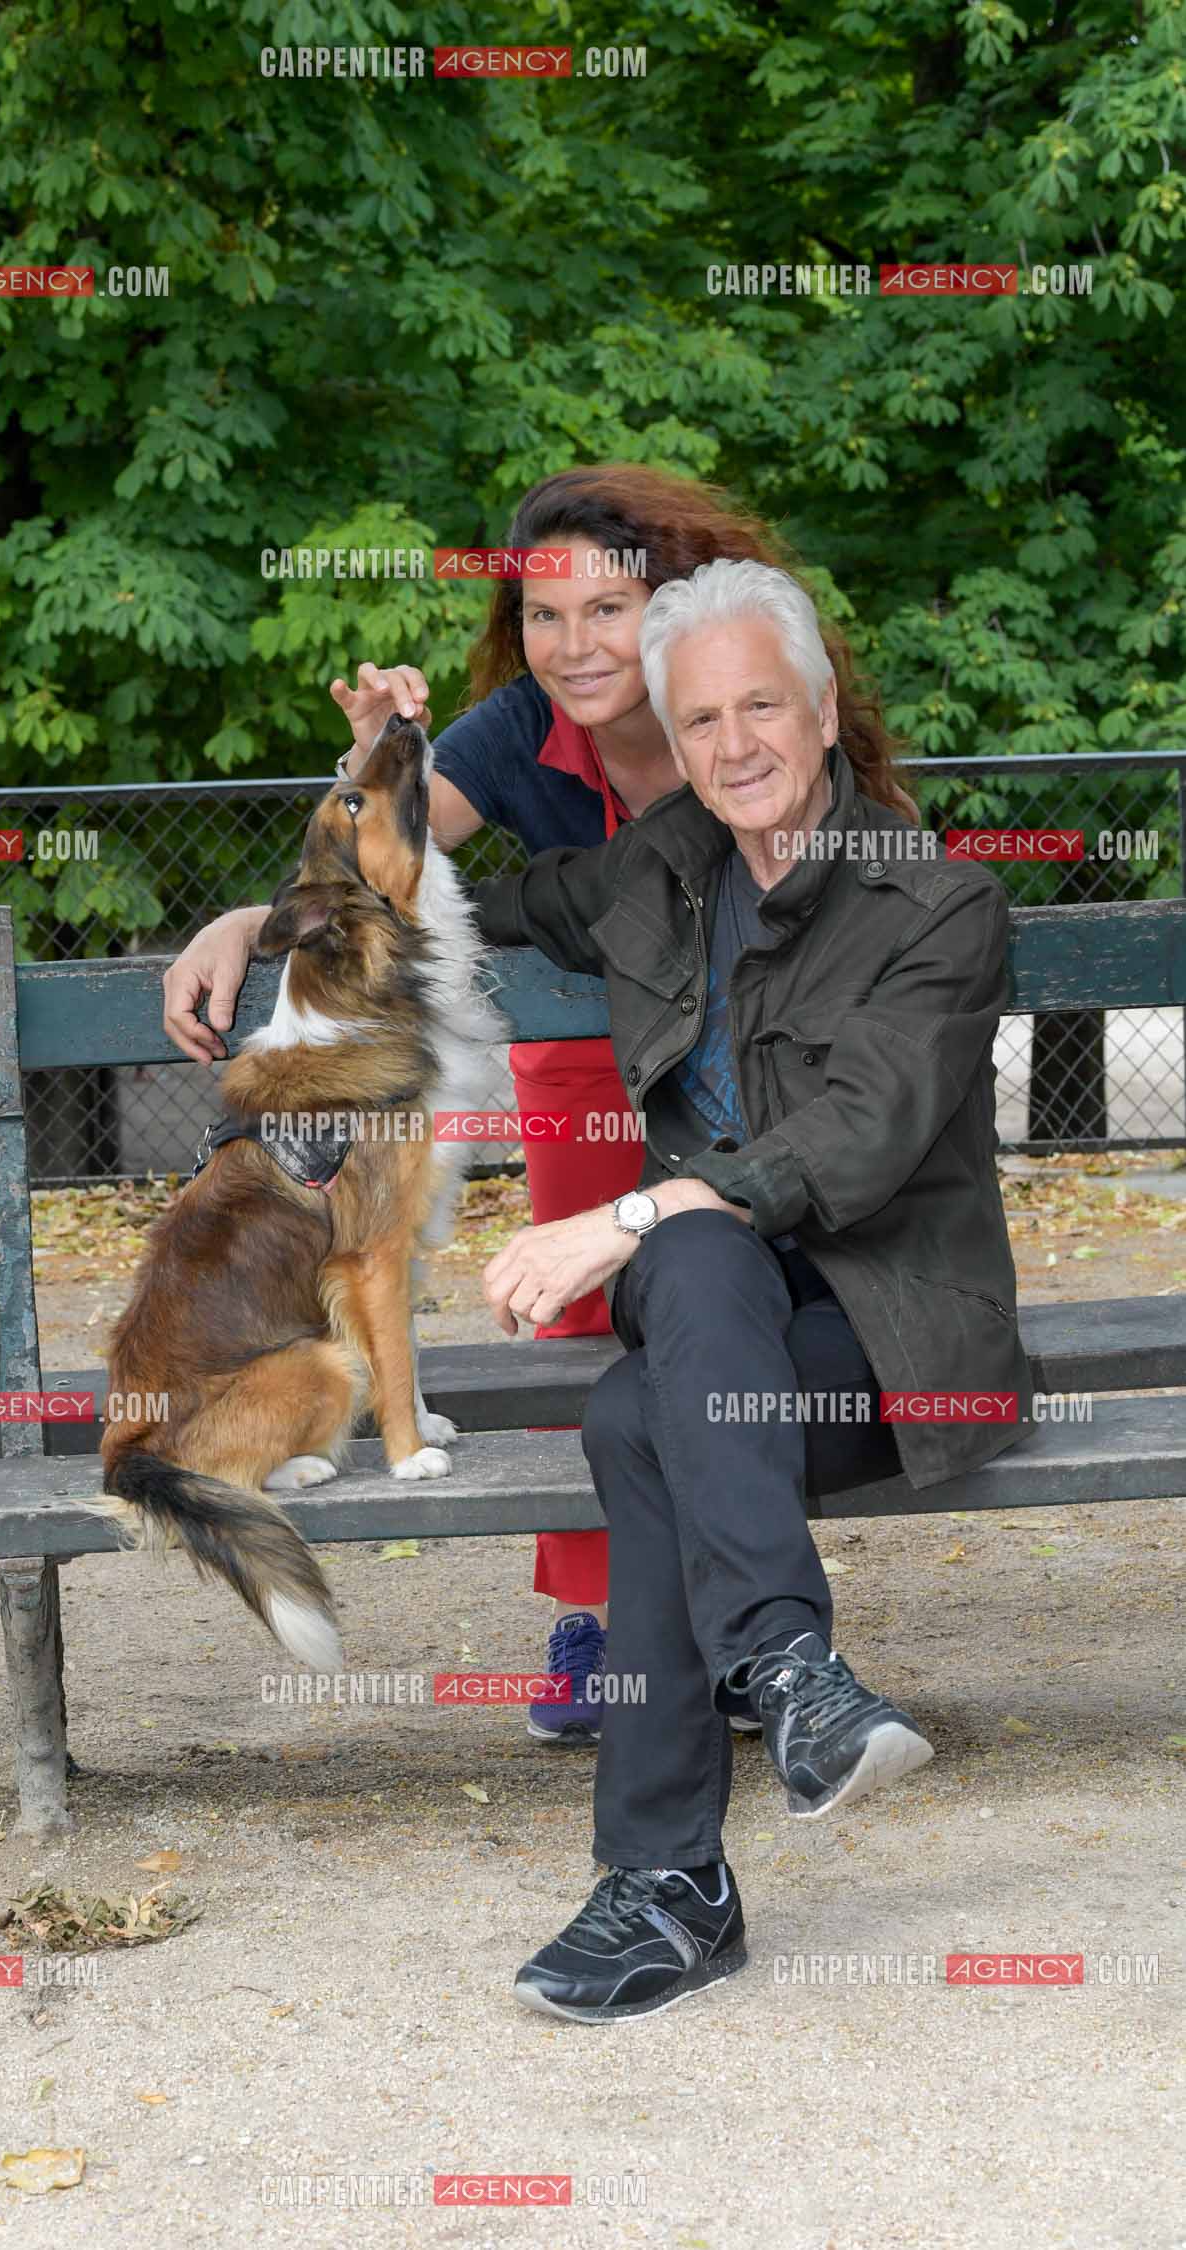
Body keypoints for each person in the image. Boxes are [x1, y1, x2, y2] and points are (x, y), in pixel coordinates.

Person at [162, 465, 914, 1743]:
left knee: (752, 1309)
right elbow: (383, 865)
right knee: (587, 1321)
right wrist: (246, 918)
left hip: (772, 1065)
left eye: (608, 611)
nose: (574, 645)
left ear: (669, 608)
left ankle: (748, 1624)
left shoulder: (735, 710)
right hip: (594, 1054)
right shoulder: (517, 730)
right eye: (545, 616)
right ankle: (602, 1616)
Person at [466, 558, 1036, 2021]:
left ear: (825, 706)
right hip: (716, 1309)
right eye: (700, 716)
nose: (734, 745)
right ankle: (794, 1674)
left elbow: (855, 1138)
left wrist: (628, 1210)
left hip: (892, 1344)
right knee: (702, 1260)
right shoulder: (661, 866)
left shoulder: (940, 900)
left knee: (635, 1419)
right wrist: (255, 921)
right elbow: (478, 905)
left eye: (761, 706)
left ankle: (671, 1884)